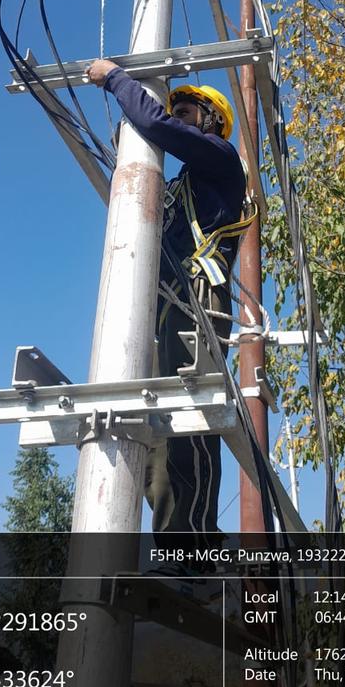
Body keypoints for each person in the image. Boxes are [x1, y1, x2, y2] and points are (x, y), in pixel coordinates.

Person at [85, 59, 251, 533]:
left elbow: (157, 126)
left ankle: (195, 549)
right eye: (174, 109)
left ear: (213, 121)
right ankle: (171, 545)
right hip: (165, 304)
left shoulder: (221, 159)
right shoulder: (178, 185)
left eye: (187, 111)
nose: (176, 117)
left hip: (199, 299)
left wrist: (117, 79)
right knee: (158, 429)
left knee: (189, 416)